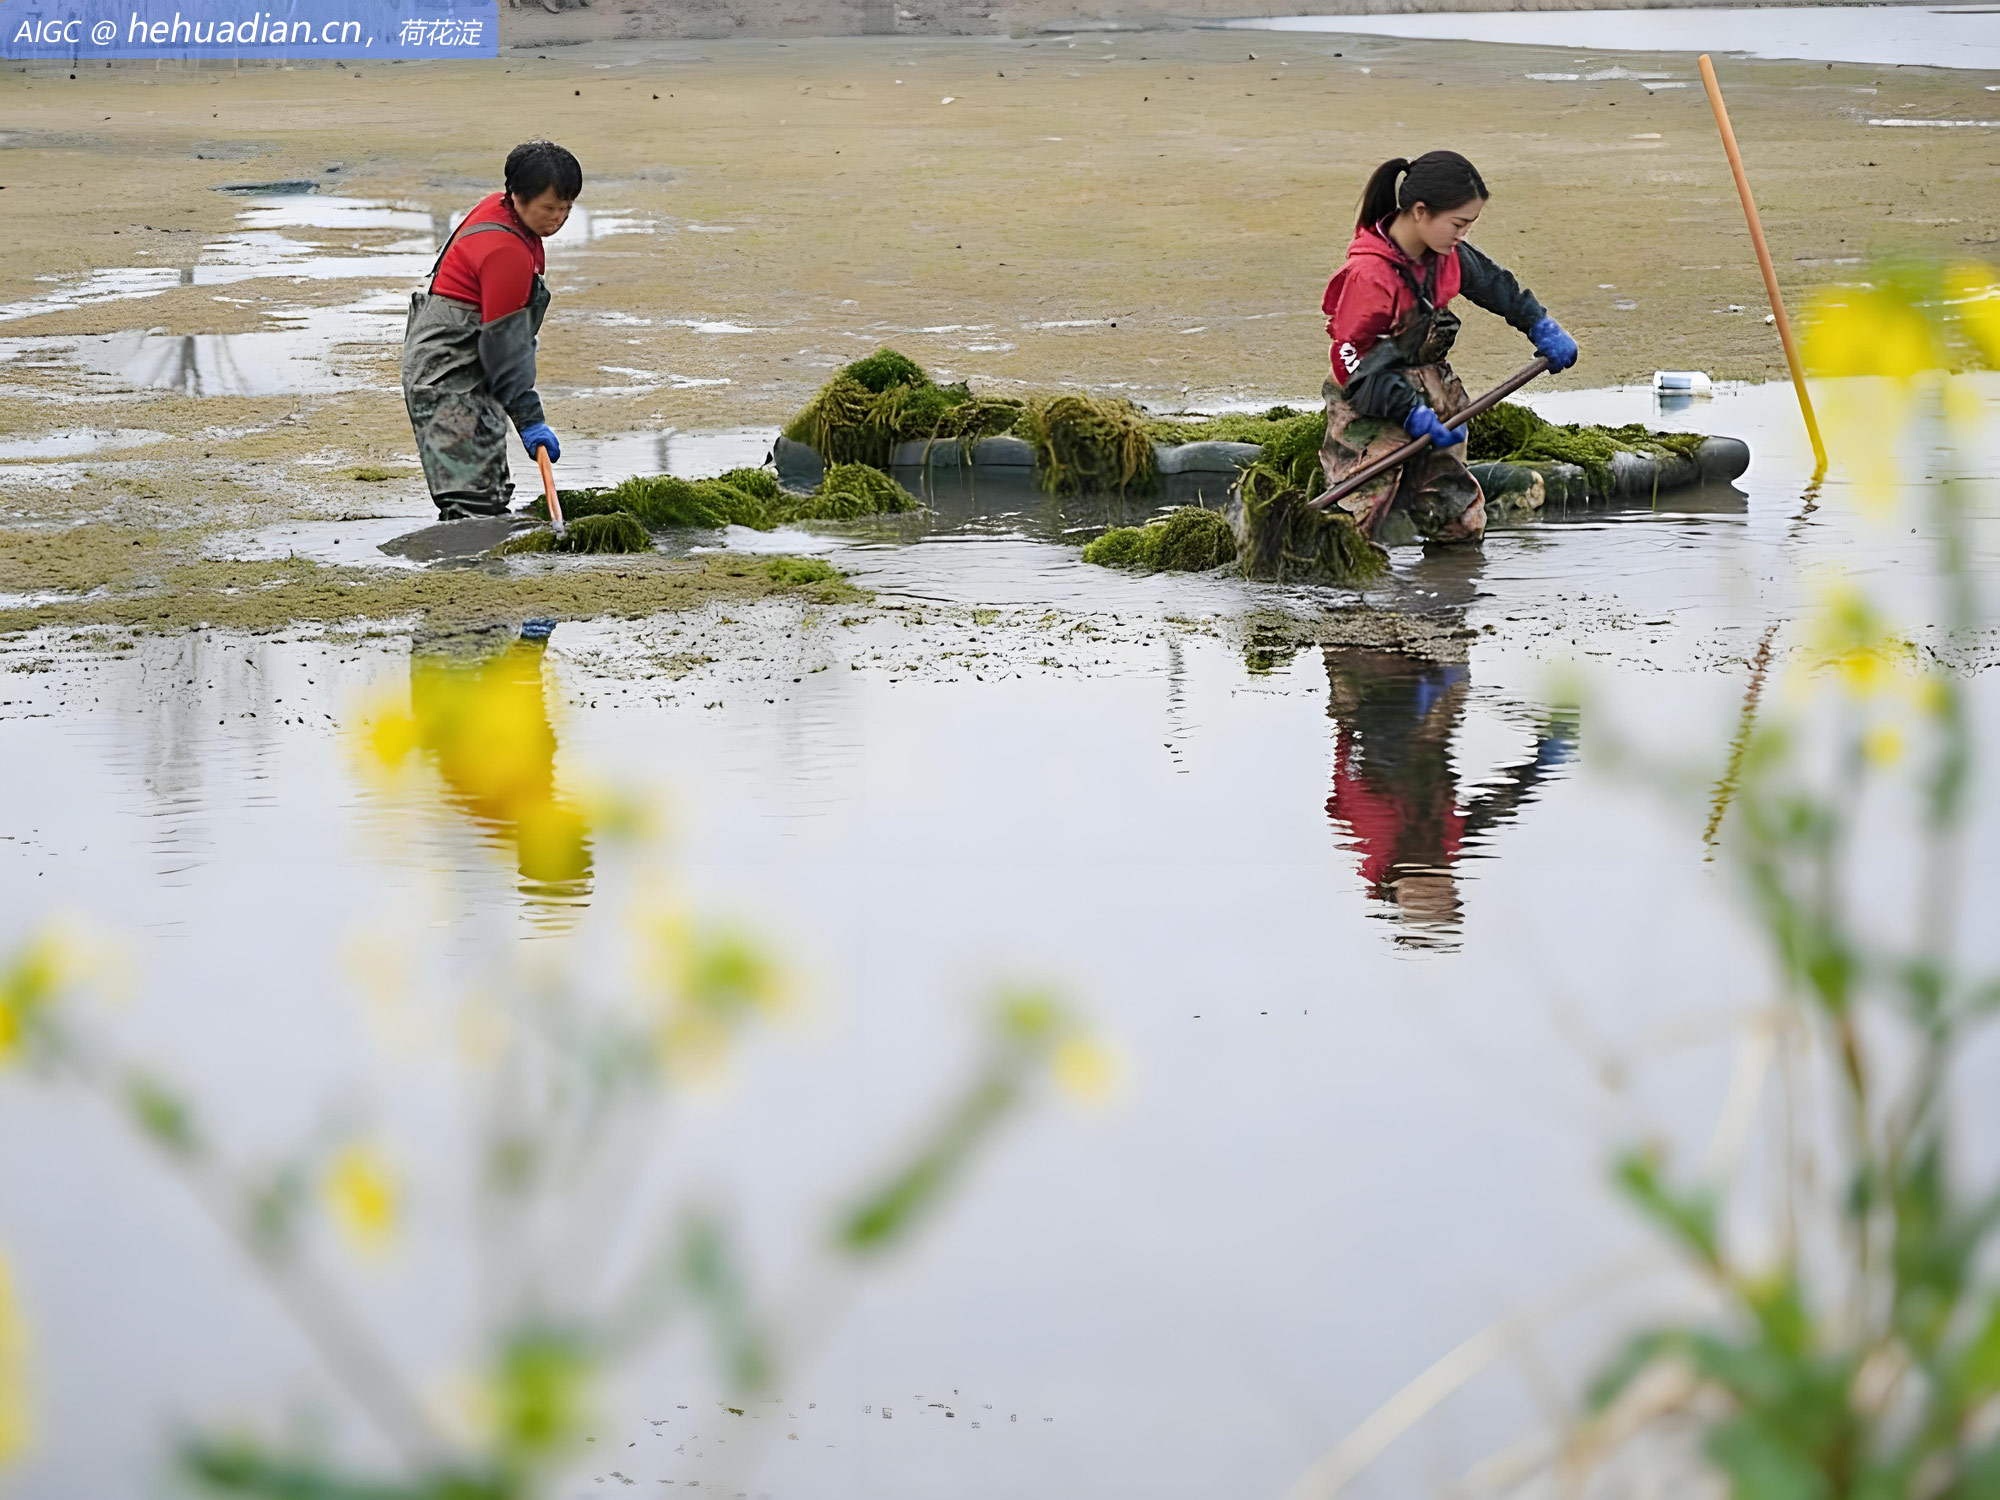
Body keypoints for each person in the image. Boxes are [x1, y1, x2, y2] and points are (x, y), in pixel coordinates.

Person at [1320, 151, 1578, 545]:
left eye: (1469, 226)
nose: (1463, 235)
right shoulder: (1368, 276)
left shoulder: (1445, 254)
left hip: (1433, 392)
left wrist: (1538, 323)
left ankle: (1449, 593)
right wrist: (1408, 412)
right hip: (1370, 400)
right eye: (1458, 224)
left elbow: (1493, 283)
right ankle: (1346, 595)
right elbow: (1354, 364)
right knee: (1360, 520)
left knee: (1456, 516)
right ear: (1421, 211)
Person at [402, 141, 581, 519]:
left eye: (567, 208)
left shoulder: (503, 210)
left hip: (471, 359)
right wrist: (531, 422)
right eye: (549, 208)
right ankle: (459, 569)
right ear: (516, 196)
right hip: (447, 376)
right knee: (471, 501)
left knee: (491, 488)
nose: (558, 219)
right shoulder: (506, 252)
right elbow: (506, 355)